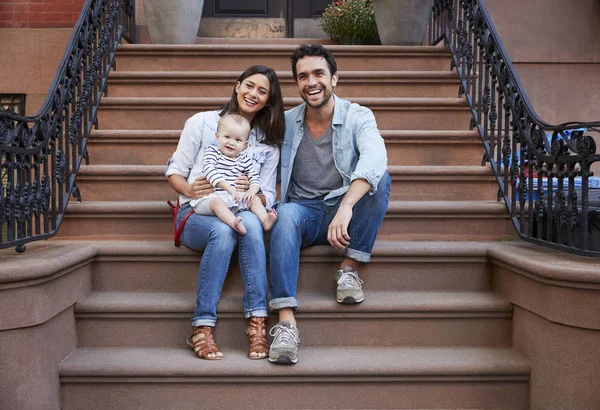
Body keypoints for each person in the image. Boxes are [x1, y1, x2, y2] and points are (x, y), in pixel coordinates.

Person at [267, 45, 391, 364]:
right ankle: (285, 322)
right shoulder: (285, 121)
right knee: (285, 214)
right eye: (303, 76)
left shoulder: (358, 115)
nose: (312, 82)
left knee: (380, 181)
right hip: (304, 213)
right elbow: (253, 155)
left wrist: (348, 205)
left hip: (342, 211)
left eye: (319, 73)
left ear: (334, 78)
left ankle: (349, 269)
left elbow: (375, 158)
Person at [165, 65, 284, 360]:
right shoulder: (202, 123)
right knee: (222, 230)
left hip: (241, 208)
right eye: (249, 86)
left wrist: (251, 189)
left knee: (253, 226)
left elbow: (268, 194)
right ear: (237, 85)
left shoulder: (266, 144)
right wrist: (189, 190)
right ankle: (202, 327)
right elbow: (175, 172)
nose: (253, 94)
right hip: (196, 213)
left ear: (268, 101)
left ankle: (257, 323)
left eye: (262, 91)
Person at [190, 113, 278, 235]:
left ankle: (265, 221)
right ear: (217, 136)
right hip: (212, 198)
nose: (231, 143)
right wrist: (229, 189)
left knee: (255, 199)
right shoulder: (213, 152)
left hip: (235, 200)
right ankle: (234, 223)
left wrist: (252, 190)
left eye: (238, 140)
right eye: (227, 137)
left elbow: (254, 177)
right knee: (217, 202)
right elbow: (210, 171)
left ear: (245, 145)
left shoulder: (244, 159)